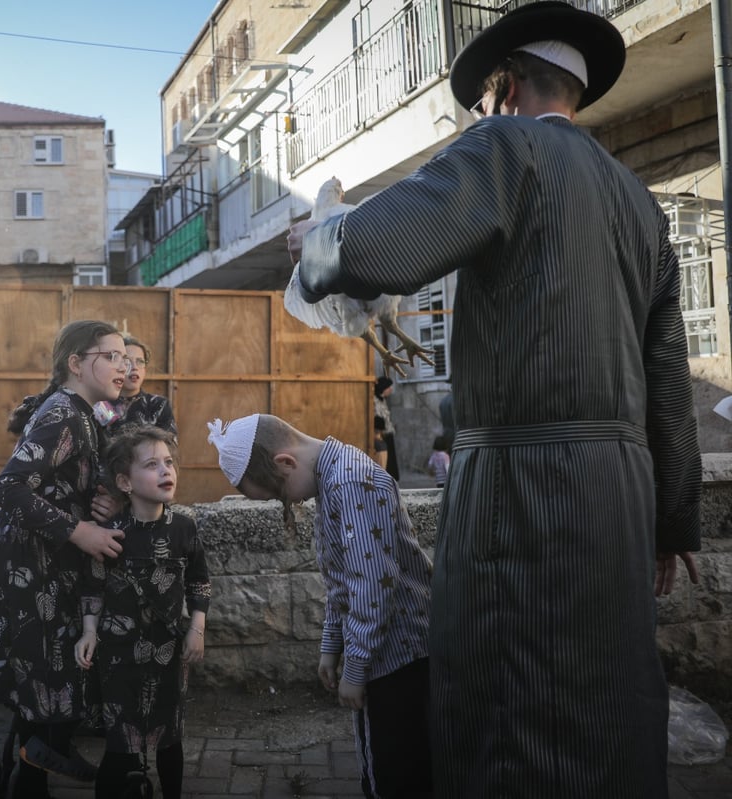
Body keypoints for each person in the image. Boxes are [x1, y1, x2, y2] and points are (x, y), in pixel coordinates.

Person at [286, 3, 702, 795]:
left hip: (524, 488)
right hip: (618, 499)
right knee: (604, 705)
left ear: (504, 86)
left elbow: (372, 245)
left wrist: (318, 238)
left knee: (511, 709)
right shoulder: (640, 203)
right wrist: (672, 519)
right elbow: (669, 381)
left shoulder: (504, 145)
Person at [208, 414, 433, 799]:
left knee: (398, 772)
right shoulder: (332, 477)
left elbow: (372, 584)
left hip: (399, 656)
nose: (290, 501)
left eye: (280, 494)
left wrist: (356, 666)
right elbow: (342, 574)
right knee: (381, 761)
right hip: (383, 650)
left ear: (285, 463)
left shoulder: (351, 482)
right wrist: (332, 645)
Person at [0, 320, 128, 798]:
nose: (123, 366)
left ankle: (32, 772)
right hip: (31, 566)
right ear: (76, 364)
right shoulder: (63, 412)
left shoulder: (84, 413)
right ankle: (33, 771)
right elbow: (9, 487)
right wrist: (80, 530)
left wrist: (104, 504)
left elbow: (65, 484)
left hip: (49, 564)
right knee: (41, 674)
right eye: (112, 356)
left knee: (44, 678)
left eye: (126, 357)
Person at [75, 424, 210, 799]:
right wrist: (89, 632)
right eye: (152, 465)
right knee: (120, 745)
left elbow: (200, 582)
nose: (166, 471)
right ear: (126, 481)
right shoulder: (110, 532)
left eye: (169, 462)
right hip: (118, 654)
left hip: (169, 650)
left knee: (170, 740)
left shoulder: (184, 529)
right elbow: (92, 586)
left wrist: (197, 627)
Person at [108, 335, 177, 436]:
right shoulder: (101, 405)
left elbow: (170, 445)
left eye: (140, 361)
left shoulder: (159, 405)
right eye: (127, 362)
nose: (135, 367)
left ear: (145, 369)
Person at [374, 377, 401, 483]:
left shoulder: (382, 399)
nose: (390, 390)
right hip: (380, 435)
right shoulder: (374, 400)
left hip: (388, 433)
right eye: (388, 387)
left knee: (391, 462)